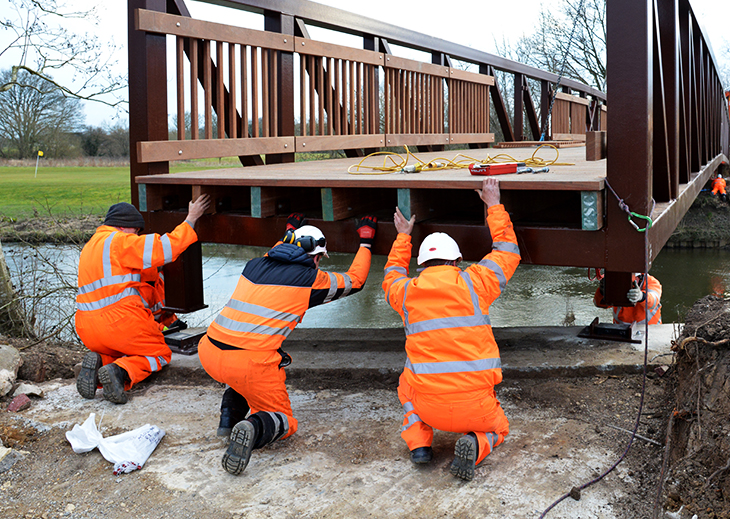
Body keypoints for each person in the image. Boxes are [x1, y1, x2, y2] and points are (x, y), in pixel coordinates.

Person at [199, 212, 376, 476]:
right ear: (316, 257)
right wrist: (366, 242)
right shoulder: (311, 280)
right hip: (250, 363)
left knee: (238, 374)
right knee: (285, 421)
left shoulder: (254, 265)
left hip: (209, 351)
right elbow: (356, 281)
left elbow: (277, 251)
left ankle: (228, 422)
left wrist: (290, 228)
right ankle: (253, 427)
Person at [383, 177, 520, 481]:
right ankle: (477, 442)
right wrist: (494, 206)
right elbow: (507, 251)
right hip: (477, 407)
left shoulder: (406, 293)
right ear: (458, 261)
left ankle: (419, 444)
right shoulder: (475, 283)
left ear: (422, 265)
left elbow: (391, 275)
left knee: (406, 383)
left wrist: (403, 237)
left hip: (429, 408)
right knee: (499, 428)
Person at [75, 195, 210, 404]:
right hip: (119, 322)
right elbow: (164, 248)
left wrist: (164, 323)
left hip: (88, 329)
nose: (137, 235)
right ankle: (120, 372)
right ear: (124, 226)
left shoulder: (90, 247)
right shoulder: (119, 241)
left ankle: (102, 361)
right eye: (136, 231)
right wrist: (191, 219)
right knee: (159, 353)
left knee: (125, 350)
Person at [593, 272, 663, 325]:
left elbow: (653, 302)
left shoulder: (652, 282)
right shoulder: (617, 280)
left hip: (650, 329)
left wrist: (641, 296)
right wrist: (602, 292)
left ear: (639, 277)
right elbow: (599, 304)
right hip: (621, 328)